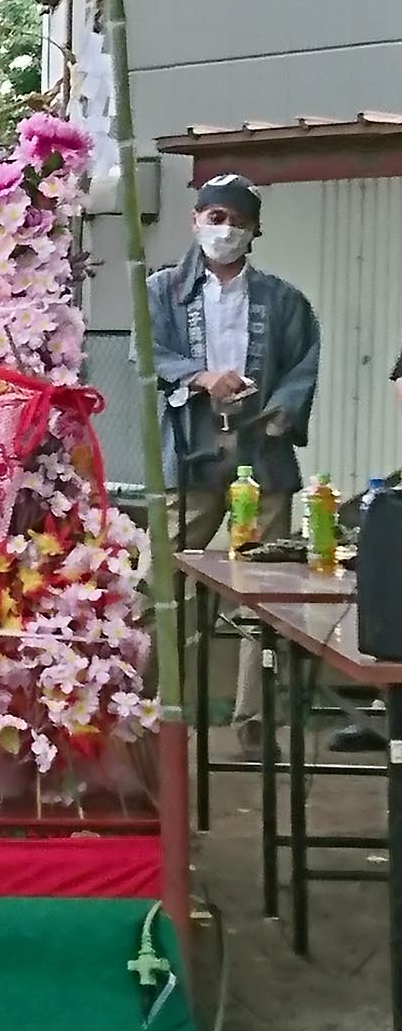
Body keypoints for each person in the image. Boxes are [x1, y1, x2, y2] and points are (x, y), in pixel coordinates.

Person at [146, 173, 319, 753]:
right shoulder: (162, 291)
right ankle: (154, 714)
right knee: (164, 586)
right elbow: (146, 352)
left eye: (236, 220)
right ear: (194, 221)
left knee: (262, 589)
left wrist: (279, 411)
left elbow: (302, 366)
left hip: (261, 459)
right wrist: (200, 377)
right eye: (214, 217)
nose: (224, 230)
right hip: (193, 455)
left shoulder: (284, 299)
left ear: (255, 230)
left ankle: (254, 723)